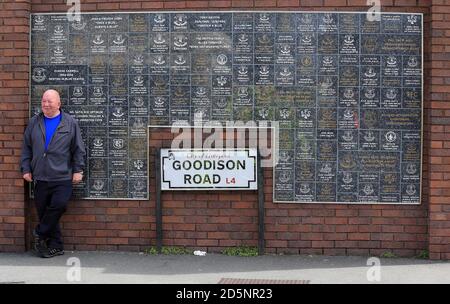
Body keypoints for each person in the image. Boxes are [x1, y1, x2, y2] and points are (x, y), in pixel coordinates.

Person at [20, 89, 86, 258]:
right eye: (43, 101)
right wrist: (26, 168)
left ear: (58, 103)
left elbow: (78, 149)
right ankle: (54, 246)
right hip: (40, 176)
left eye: (49, 101)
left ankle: (40, 232)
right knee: (45, 212)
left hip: (62, 176)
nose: (46, 104)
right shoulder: (34, 122)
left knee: (59, 205)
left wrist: (78, 170)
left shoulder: (70, 123)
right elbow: (26, 148)